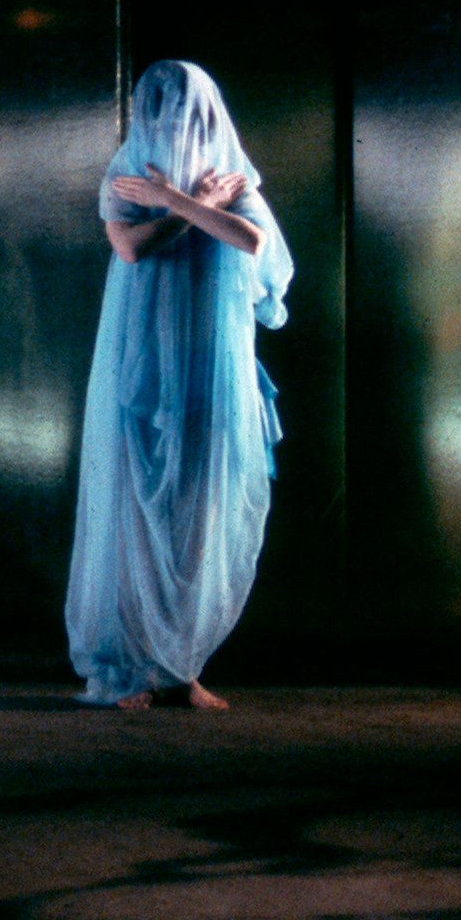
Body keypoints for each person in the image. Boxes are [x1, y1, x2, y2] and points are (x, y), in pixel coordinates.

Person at [64, 61, 292, 708]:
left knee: (199, 506)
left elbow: (251, 239)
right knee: (135, 504)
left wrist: (181, 202)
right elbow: (130, 246)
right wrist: (193, 209)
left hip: (208, 363)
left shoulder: (229, 176)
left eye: (184, 111)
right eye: (159, 109)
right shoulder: (127, 173)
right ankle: (127, 667)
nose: (171, 123)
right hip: (141, 363)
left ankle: (180, 665)